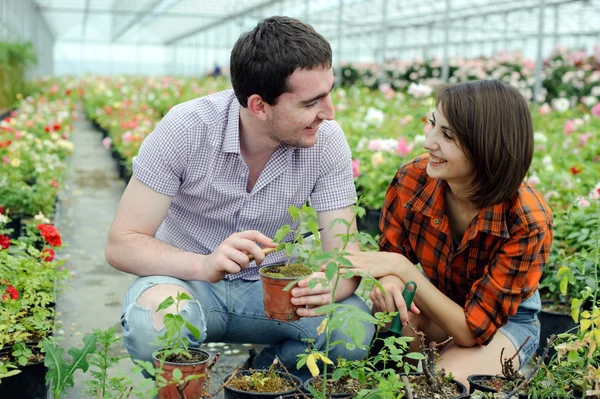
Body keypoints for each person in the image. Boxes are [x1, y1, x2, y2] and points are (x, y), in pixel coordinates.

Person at [104, 16, 373, 380]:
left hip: (276, 292)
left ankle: (260, 379)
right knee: (152, 322)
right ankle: (188, 388)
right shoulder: (186, 128)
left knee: (351, 328)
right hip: (189, 284)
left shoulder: (326, 140)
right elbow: (122, 243)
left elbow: (346, 255)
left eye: (329, 93)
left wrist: (328, 285)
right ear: (259, 106)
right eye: (312, 102)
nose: (329, 112)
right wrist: (204, 265)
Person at [348, 80, 553, 385]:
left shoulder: (527, 219)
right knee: (390, 356)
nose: (428, 142)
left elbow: (473, 330)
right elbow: (391, 255)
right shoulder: (412, 179)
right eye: (433, 124)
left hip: (502, 324)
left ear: (486, 146)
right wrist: (390, 281)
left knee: (444, 382)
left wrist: (401, 269)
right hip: (438, 299)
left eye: (447, 135)